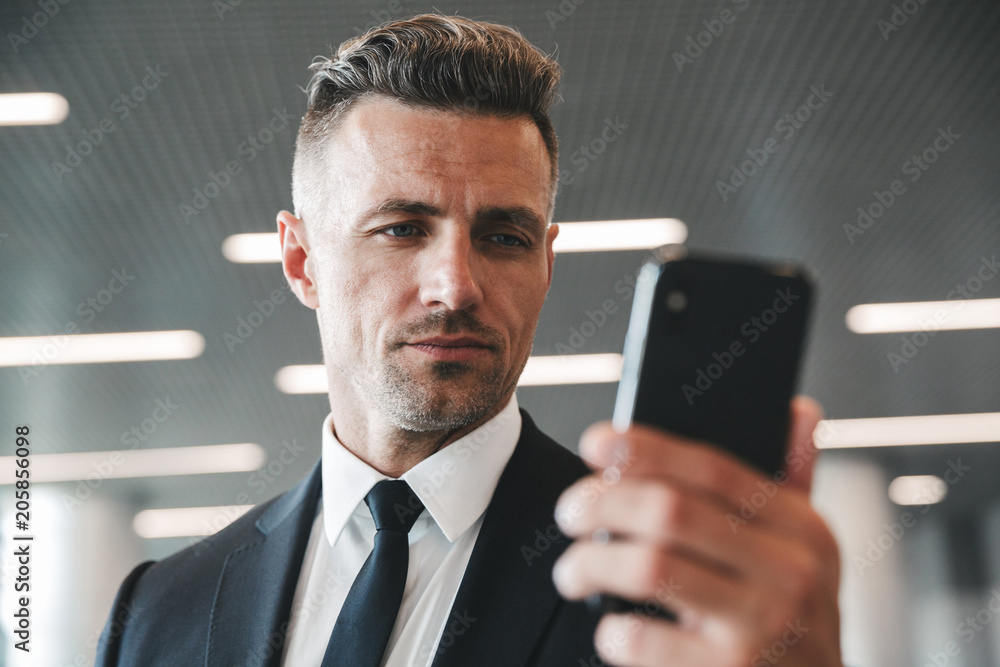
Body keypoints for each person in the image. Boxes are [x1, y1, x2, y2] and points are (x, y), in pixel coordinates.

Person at [96, 14, 842, 667]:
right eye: (402, 228)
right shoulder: (160, 610)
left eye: (504, 236)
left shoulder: (661, 584)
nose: (455, 286)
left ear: (546, 263)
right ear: (301, 260)